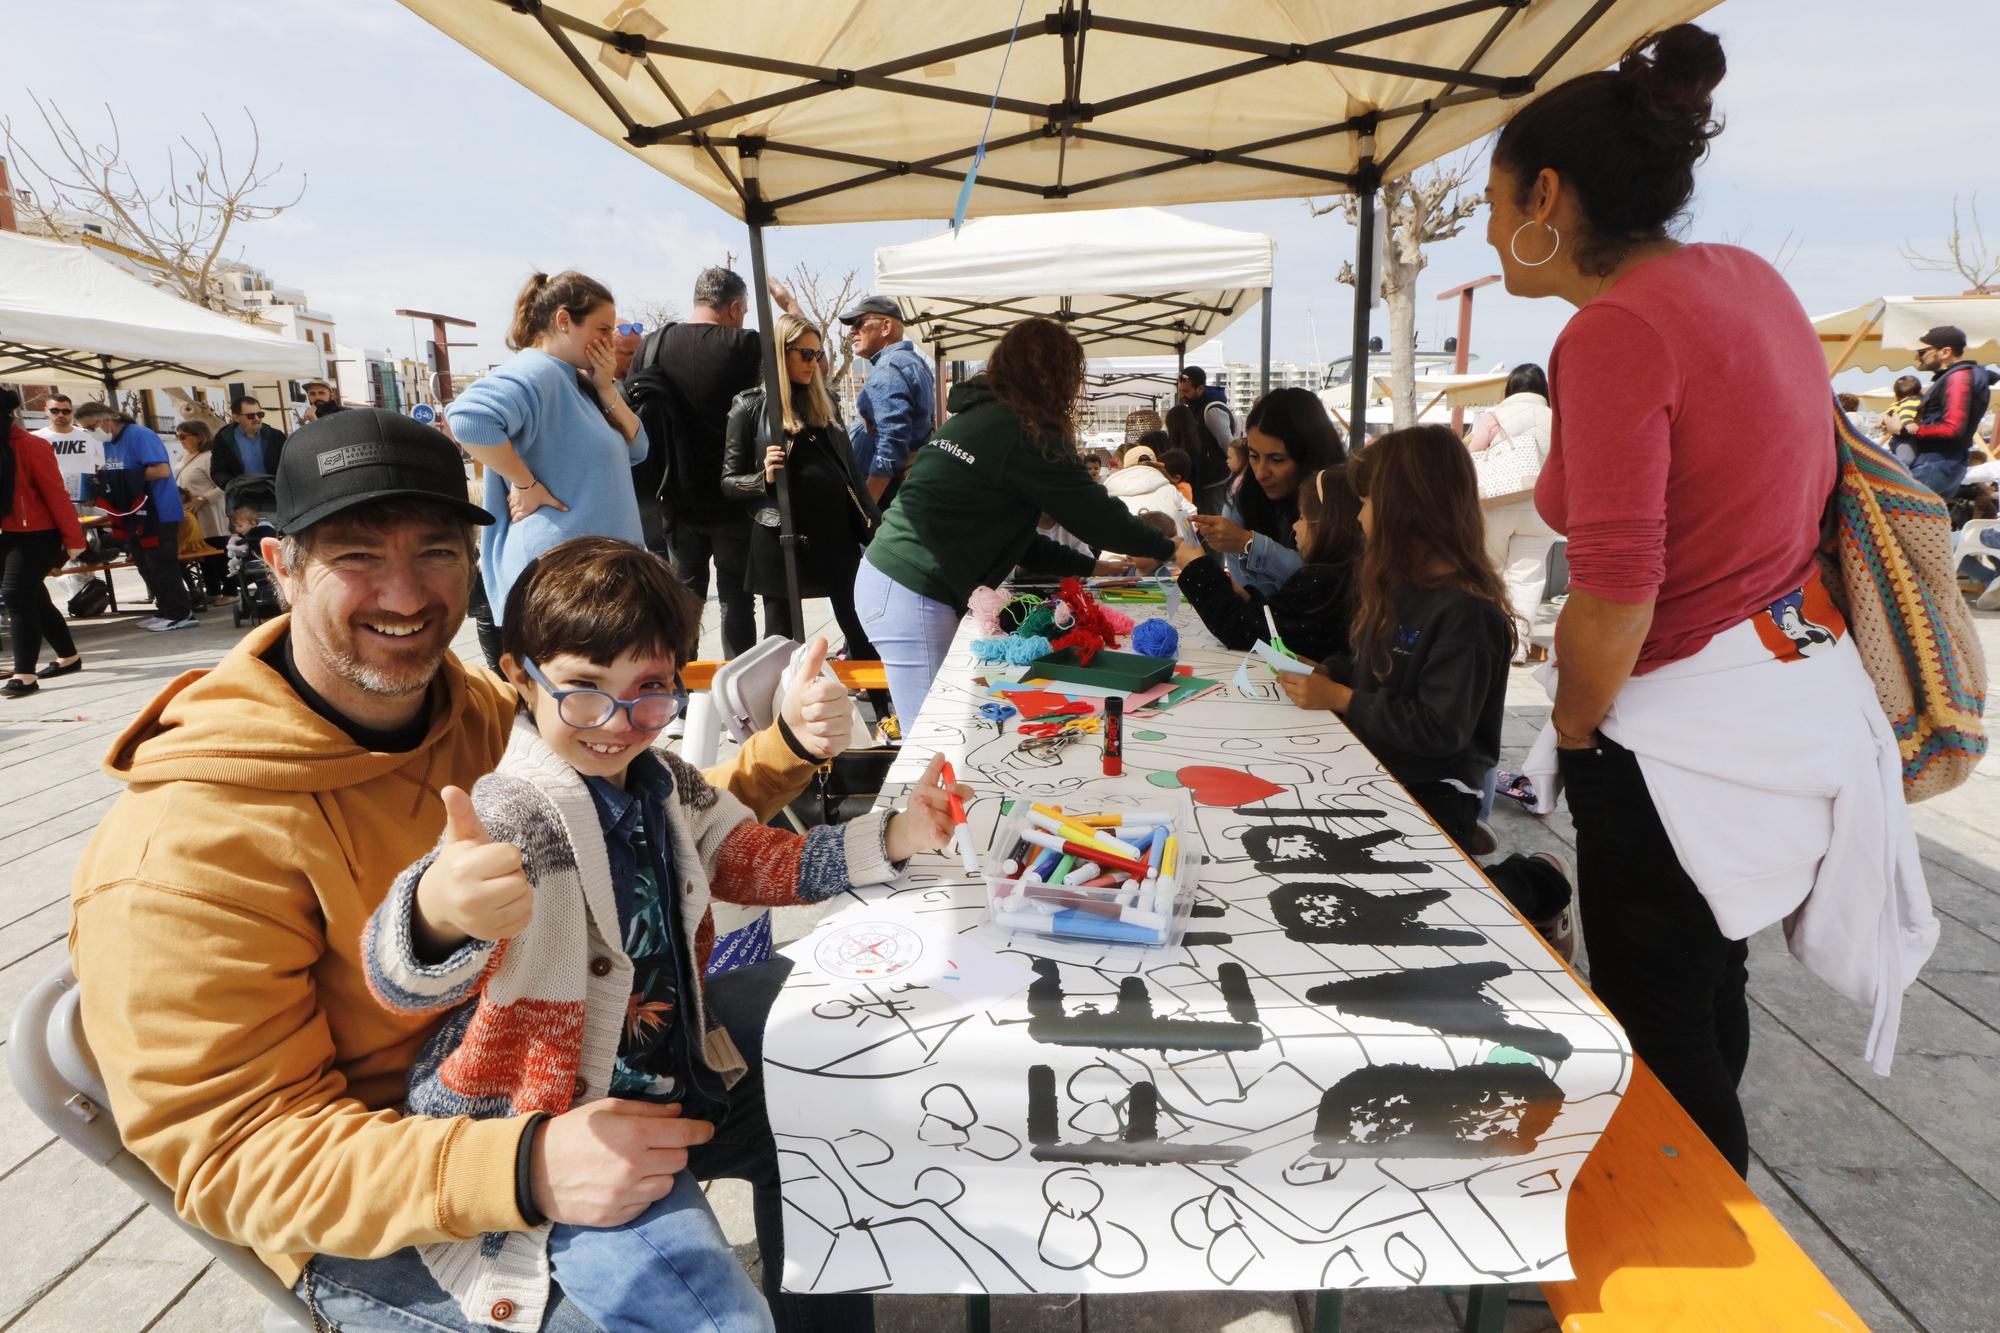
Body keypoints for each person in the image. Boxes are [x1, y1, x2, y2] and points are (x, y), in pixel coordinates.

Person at [69, 407, 875, 1333]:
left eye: (438, 550)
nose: (406, 593)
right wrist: (521, 1167)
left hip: (587, 1058)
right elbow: (233, 1157)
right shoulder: (179, 846)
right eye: (358, 554)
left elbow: (654, 817)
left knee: (840, 1080)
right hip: (391, 1199)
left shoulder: (486, 707)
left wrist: (785, 749)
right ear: (281, 564)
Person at [1481, 22, 1933, 1173]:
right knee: (1704, 988)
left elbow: (1619, 587)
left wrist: (1572, 728)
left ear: (1545, 192)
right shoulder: (1747, 279)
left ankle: (1692, 1267)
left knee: (1658, 1027)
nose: (1489, 236)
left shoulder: (1612, 328)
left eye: (1492, 205)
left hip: (1682, 731)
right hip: (1791, 701)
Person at [362, 536, 962, 1333]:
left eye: (648, 689)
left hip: (667, 1074)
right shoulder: (513, 813)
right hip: (550, 1128)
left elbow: (748, 858)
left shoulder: (663, 779)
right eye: (583, 689)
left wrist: (892, 836)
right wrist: (437, 913)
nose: (617, 721)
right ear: (518, 674)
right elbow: (400, 976)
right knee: (719, 1320)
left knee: (836, 1109)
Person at [854, 317, 1176, 724]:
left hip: (896, 583)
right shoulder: (1025, 429)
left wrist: (1097, 567)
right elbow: (1096, 514)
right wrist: (1168, 547)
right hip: (912, 588)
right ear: (1060, 376)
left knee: (949, 725)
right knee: (934, 736)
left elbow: (1015, 537)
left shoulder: (979, 417)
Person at [446, 270, 648, 629]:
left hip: (589, 580)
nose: (610, 340)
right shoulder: (538, 370)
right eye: (603, 329)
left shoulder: (573, 379)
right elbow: (467, 418)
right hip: (564, 583)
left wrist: (605, 388)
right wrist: (525, 484)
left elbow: (639, 448)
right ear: (564, 321)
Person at [624, 267, 799, 655]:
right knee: (737, 599)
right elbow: (804, 363)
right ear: (735, 307)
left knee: (684, 600)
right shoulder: (747, 346)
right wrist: (789, 307)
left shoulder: (652, 345)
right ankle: (738, 693)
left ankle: (678, 688)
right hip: (736, 496)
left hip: (673, 497)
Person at [721, 312, 880, 654]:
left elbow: (851, 473)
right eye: (805, 354)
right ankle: (782, 708)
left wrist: (874, 526)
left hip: (836, 535)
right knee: (781, 640)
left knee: (859, 629)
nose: (814, 363)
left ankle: (883, 707)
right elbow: (729, 481)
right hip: (780, 537)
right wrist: (762, 478)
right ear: (781, 352)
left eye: (817, 354)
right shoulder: (748, 408)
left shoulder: (827, 404)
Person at [1175, 464, 1362, 662]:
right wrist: (1244, 596)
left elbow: (1245, 630)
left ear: (1326, 525)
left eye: (1302, 517)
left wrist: (1197, 566)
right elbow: (1277, 618)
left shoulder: (1323, 580)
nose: (1294, 526)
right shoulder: (1341, 574)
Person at [1190, 387, 1346, 598]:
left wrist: (1251, 545)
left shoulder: (1341, 500)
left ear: (1309, 454)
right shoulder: (1244, 499)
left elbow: (1332, 583)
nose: (1261, 473)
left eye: (1277, 459)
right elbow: (1251, 598)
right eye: (1254, 456)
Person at [73, 400, 196, 631]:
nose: (91, 433)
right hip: (132, 513)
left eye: (91, 427)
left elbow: (161, 470)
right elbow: (115, 473)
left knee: (161, 563)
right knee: (144, 563)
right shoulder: (109, 443)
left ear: (107, 420)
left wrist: (116, 477)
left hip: (158, 510)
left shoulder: (140, 435)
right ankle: (166, 610)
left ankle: (181, 613)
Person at [1467, 363, 1558, 658]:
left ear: (1510, 389)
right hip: (1540, 508)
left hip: (1496, 503)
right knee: (1528, 578)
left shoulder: (1495, 417)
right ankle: (1518, 646)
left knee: (1490, 569)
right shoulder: (1557, 418)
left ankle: (1485, 637)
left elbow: (1472, 455)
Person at [2, 388, 87, 697]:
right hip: (5, 535)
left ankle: (24, 674)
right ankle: (69, 656)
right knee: (33, 596)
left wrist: (73, 541)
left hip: (35, 534)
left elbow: (56, 495)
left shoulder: (31, 446)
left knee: (15, 595)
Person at [841, 294, 936, 507]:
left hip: (885, 504)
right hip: (902, 496)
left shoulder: (889, 369)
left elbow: (890, 445)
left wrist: (866, 509)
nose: (852, 331)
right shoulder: (914, 363)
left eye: (859, 323)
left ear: (886, 327)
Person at [1886, 324, 1996, 499]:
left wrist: (1903, 428)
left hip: (1936, 464)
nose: (1917, 357)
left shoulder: (1959, 377)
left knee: (1897, 519)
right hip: (1944, 464)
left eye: (1922, 352)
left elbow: (1952, 428)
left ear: (1945, 352)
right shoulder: (1959, 376)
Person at [174, 420, 232, 601]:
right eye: (178, 436)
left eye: (183, 436)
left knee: (218, 552)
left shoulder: (208, 458)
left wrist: (203, 498)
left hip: (211, 513)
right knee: (202, 555)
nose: (180, 440)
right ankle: (213, 590)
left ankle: (230, 591)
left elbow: (223, 485)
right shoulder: (182, 459)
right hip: (192, 515)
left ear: (198, 436)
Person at [209, 393, 288, 489]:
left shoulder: (276, 436)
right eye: (250, 416)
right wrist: (232, 486)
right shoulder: (223, 439)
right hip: (241, 496)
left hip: (274, 493)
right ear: (236, 417)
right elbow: (218, 471)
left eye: (260, 414)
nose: (257, 419)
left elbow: (289, 464)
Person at [38, 393, 101, 503]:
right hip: (52, 500)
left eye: (66, 411)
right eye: (55, 411)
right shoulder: (36, 438)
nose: (61, 414)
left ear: (72, 412)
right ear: (46, 411)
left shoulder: (90, 436)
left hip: (87, 499)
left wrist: (98, 481)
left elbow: (105, 462)